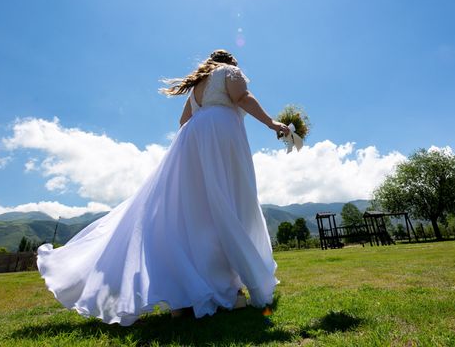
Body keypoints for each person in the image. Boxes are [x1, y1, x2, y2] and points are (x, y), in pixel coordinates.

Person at [37, 49, 289, 325]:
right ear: (231, 62)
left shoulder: (198, 86)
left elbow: (183, 122)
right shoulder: (230, 73)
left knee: (198, 215)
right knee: (229, 206)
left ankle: (188, 294)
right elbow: (243, 97)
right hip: (221, 140)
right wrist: (271, 123)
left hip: (192, 144)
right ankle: (230, 287)